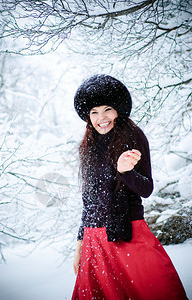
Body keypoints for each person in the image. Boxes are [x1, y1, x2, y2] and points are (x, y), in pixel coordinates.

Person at [71, 74, 188, 300]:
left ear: (118, 110)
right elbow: (89, 201)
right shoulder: (87, 146)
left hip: (129, 232)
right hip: (94, 238)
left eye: (107, 110)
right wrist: (80, 245)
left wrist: (125, 172)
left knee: (160, 289)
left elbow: (146, 189)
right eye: (94, 112)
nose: (101, 118)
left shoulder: (133, 136)